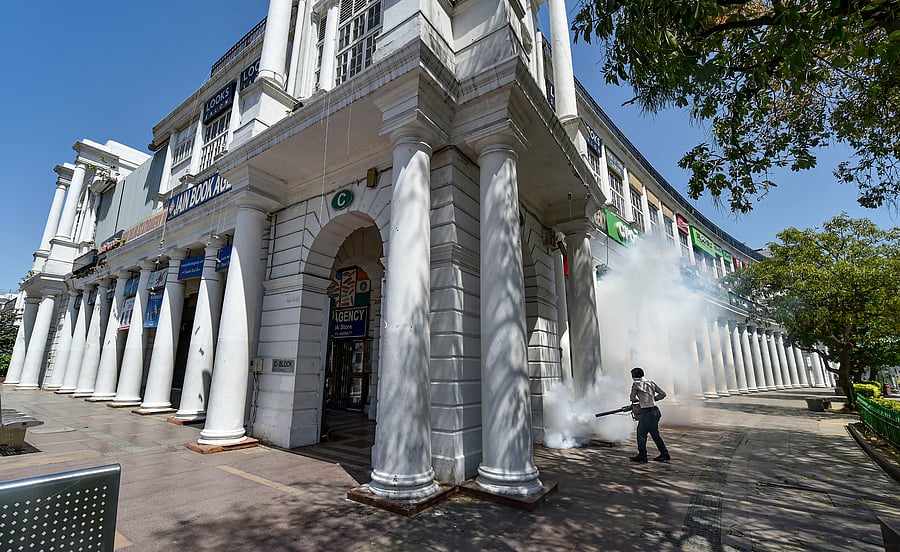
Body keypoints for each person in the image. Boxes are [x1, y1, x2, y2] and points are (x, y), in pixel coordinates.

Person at [628, 366, 670, 463]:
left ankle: (643, 455)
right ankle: (664, 454)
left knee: (641, 434)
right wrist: (655, 398)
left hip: (646, 413)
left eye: (632, 375)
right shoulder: (651, 383)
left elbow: (632, 398)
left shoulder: (636, 384)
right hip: (655, 411)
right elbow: (663, 394)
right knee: (654, 434)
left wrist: (638, 400)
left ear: (634, 375)